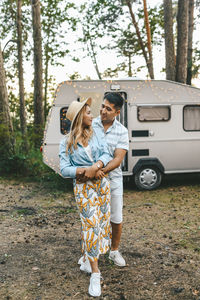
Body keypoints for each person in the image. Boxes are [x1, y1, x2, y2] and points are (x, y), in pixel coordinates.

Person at [59, 98, 112, 297]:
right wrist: (85, 171)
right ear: (80, 117)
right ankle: (95, 274)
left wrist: (96, 167)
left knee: (101, 224)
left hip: (102, 185)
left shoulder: (96, 133)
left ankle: (86, 257)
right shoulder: (66, 142)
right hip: (83, 188)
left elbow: (107, 154)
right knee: (90, 224)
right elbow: (65, 169)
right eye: (89, 112)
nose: (93, 115)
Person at [92, 92, 129, 267]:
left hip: (113, 179)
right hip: (90, 179)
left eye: (108, 108)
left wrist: (102, 171)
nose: (103, 111)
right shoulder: (90, 124)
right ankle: (90, 252)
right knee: (93, 216)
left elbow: (118, 158)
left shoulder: (122, 131)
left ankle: (114, 251)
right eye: (102, 106)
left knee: (115, 216)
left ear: (117, 112)